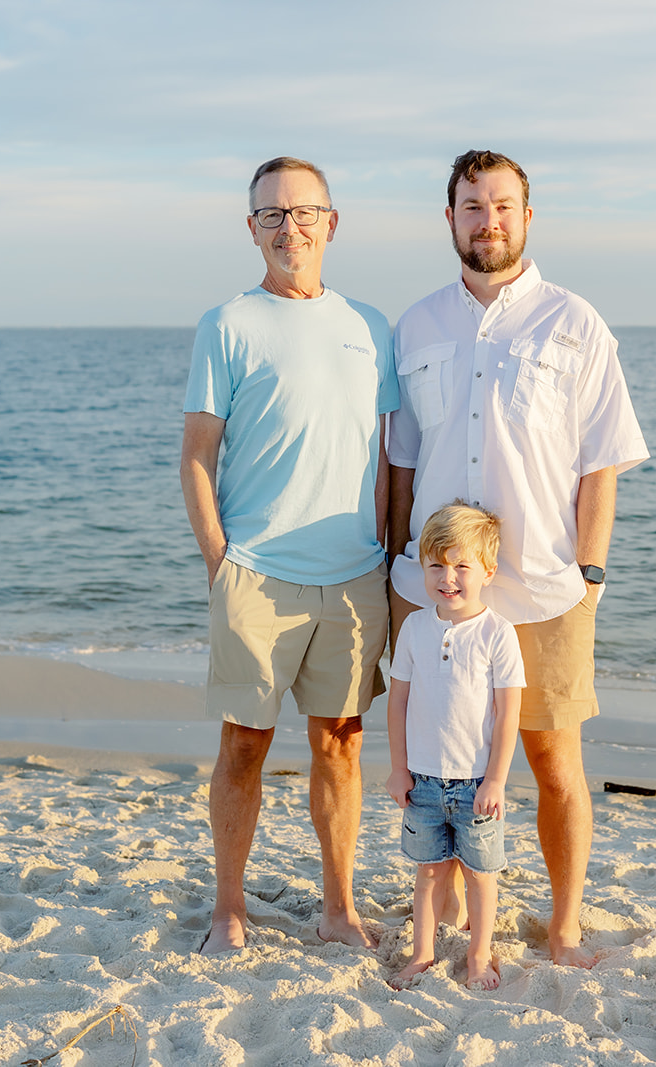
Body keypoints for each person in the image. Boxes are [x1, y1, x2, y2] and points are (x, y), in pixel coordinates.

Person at [387, 149, 649, 969]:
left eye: (502, 205)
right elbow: (400, 460)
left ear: (527, 217)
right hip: (431, 590)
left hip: (543, 586)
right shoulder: (418, 324)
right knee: (443, 759)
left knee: (552, 761)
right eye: (472, 206)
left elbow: (599, 464)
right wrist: (396, 561)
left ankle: (565, 927)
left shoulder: (575, 323)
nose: (488, 220)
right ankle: (461, 914)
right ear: (450, 218)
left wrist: (592, 576)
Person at [181, 156, 399, 954]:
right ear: (251, 229)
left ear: (331, 224)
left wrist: (389, 555)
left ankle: (338, 908)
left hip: (353, 577)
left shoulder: (369, 326)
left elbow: (386, 456)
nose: (288, 228)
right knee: (245, 742)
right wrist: (219, 562)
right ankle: (229, 906)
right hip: (256, 575)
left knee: (340, 740)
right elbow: (197, 455)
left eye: (303, 212)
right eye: (270, 215)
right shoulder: (228, 324)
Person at [385, 502, 524, 989]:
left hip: (476, 786)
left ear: (487, 570)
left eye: (462, 565)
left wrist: (497, 780)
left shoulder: (498, 634)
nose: (449, 577)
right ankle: (422, 955)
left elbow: (508, 714)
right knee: (429, 874)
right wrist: (399, 769)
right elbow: (397, 702)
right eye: (437, 565)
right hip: (422, 780)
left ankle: (479, 955)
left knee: (482, 876)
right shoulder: (415, 628)